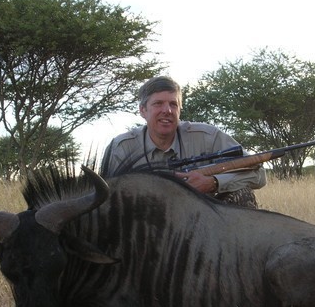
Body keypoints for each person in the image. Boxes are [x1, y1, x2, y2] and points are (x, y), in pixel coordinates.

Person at [100, 76, 266, 208]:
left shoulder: (209, 137)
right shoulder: (120, 148)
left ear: (180, 109)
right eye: (158, 103)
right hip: (144, 225)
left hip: (200, 221)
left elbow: (259, 175)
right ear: (143, 110)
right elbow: (104, 199)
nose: (167, 111)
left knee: (243, 194)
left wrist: (214, 183)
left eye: (173, 104)